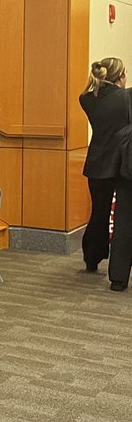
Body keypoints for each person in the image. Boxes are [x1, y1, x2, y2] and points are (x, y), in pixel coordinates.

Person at [79, 57, 132, 289]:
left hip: (98, 162)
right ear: (120, 76)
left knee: (98, 212)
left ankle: (92, 259)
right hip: (123, 162)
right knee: (123, 216)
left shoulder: (87, 98)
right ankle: (120, 265)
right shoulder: (126, 97)